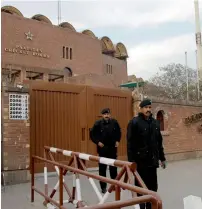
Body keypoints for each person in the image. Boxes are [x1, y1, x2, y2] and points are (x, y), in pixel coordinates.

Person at [126, 99, 167, 209]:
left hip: (152, 162)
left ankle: (150, 206)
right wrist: (131, 162)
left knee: (152, 188)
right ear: (141, 108)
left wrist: (162, 158)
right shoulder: (134, 123)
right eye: (146, 107)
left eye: (149, 107)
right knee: (140, 188)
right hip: (140, 163)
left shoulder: (155, 123)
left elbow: (159, 142)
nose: (148, 109)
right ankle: (141, 207)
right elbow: (130, 144)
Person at [90, 108, 121, 194]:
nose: (106, 116)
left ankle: (114, 185)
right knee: (102, 170)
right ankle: (103, 187)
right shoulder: (97, 124)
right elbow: (92, 135)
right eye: (105, 114)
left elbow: (119, 132)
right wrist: (97, 142)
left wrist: (118, 141)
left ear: (110, 114)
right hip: (102, 150)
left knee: (113, 169)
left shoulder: (114, 122)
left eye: (108, 114)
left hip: (112, 149)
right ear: (102, 115)